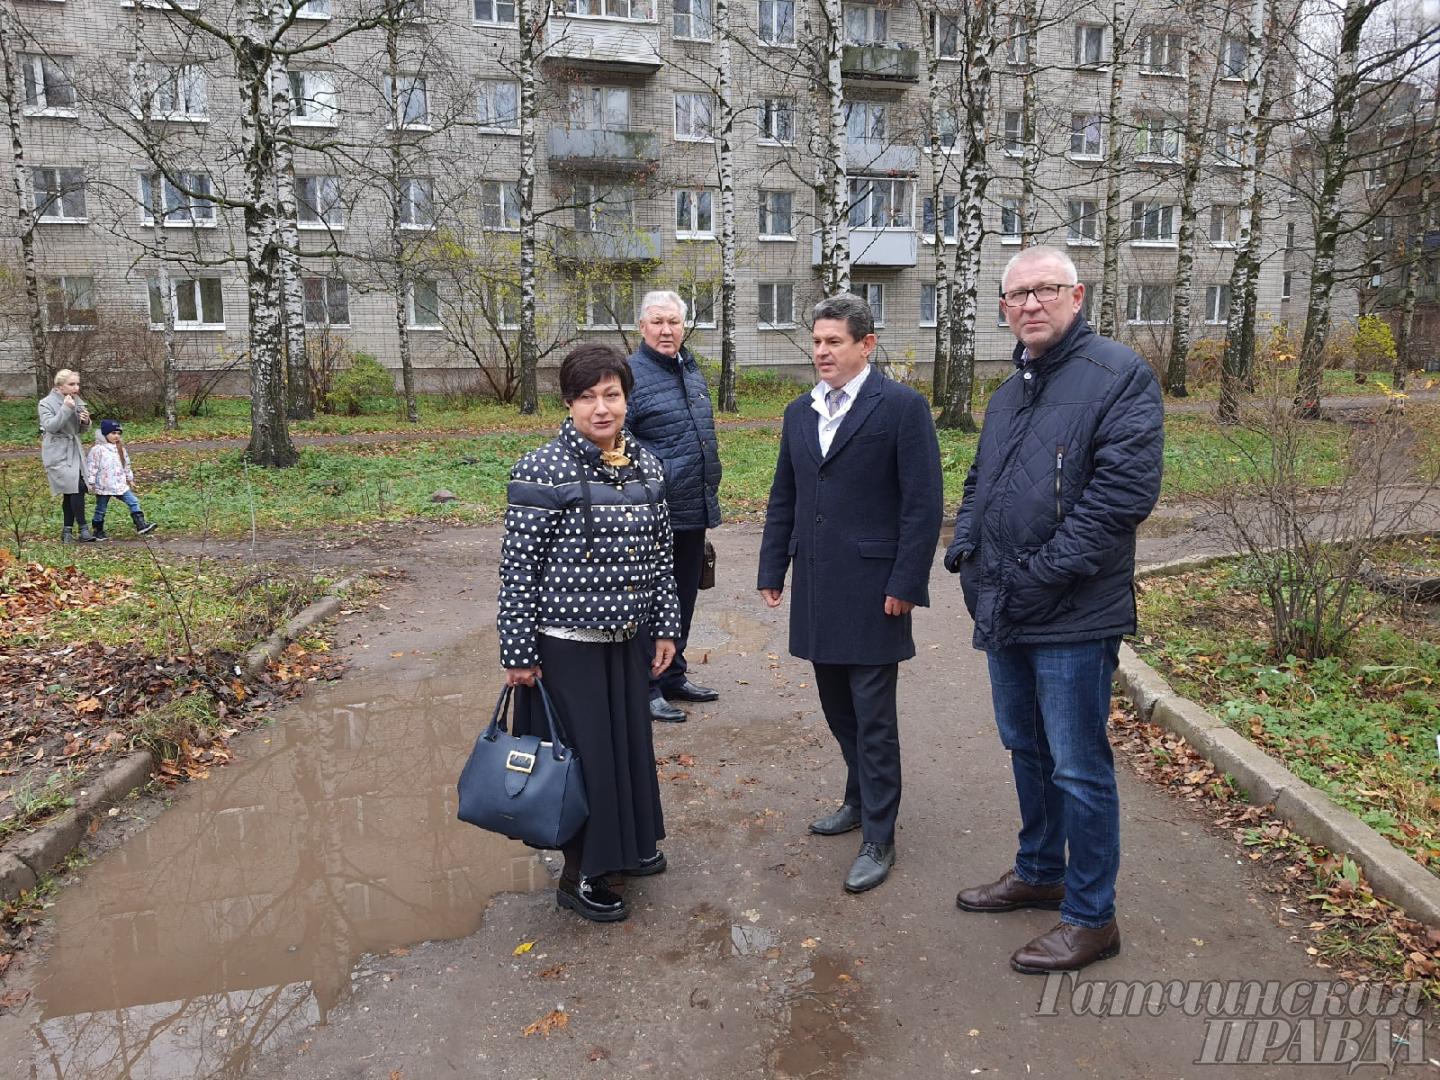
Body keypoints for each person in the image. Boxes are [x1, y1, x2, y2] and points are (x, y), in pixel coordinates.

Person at [947, 246, 1164, 974]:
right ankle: (1040, 870)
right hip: (1006, 606)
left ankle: (1091, 916)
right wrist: (966, 553)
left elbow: (1120, 500)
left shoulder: (1117, 375)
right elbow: (983, 479)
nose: (1030, 304)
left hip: (1073, 610)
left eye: (1044, 290)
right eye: (1016, 295)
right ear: (1004, 309)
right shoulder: (1010, 390)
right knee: (1026, 748)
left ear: (1076, 295)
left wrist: (1039, 575)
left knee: (1077, 766)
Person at [757, 293, 943, 894]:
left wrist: (907, 583)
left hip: (874, 590)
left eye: (833, 341)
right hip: (817, 584)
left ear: (866, 345)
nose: (821, 352)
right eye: (816, 341)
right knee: (838, 709)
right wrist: (772, 569)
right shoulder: (799, 412)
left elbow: (923, 505)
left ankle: (879, 835)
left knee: (873, 719)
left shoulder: (901, 408)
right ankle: (857, 799)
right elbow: (785, 495)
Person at [498, 344, 682, 923]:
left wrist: (665, 628)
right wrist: (519, 651)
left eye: (612, 395)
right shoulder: (541, 469)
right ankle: (581, 876)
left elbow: (660, 558)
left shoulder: (647, 467)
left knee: (625, 750)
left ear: (627, 399)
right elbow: (517, 567)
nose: (601, 409)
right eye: (587, 397)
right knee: (583, 763)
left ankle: (627, 847)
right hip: (564, 646)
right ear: (569, 402)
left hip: (626, 639)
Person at [625, 290, 723, 724]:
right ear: (642, 327)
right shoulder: (628, 374)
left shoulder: (690, 368)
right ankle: (645, 686)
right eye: (658, 322)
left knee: (682, 598)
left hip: (691, 507)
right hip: (652, 511)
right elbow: (616, 440)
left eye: (674, 322)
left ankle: (673, 674)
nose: (667, 330)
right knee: (650, 603)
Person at [38, 369, 95, 543]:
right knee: (75, 487)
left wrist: (85, 421)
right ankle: (83, 528)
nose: (76, 388)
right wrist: (66, 409)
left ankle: (67, 531)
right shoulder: (46, 403)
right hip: (57, 451)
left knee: (72, 490)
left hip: (74, 449)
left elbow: (81, 430)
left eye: (77, 384)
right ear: (60, 385)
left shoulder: (77, 401)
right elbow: (51, 426)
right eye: (71, 384)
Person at [85, 421, 158, 541]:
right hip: (104, 485)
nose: (116, 436)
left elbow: (126, 465)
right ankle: (98, 530)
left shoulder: (120, 448)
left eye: (118, 433)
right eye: (113, 433)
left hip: (120, 484)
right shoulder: (98, 449)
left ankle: (141, 525)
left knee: (133, 501)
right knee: (101, 508)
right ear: (105, 434)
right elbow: (92, 466)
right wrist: (91, 482)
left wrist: (130, 479)